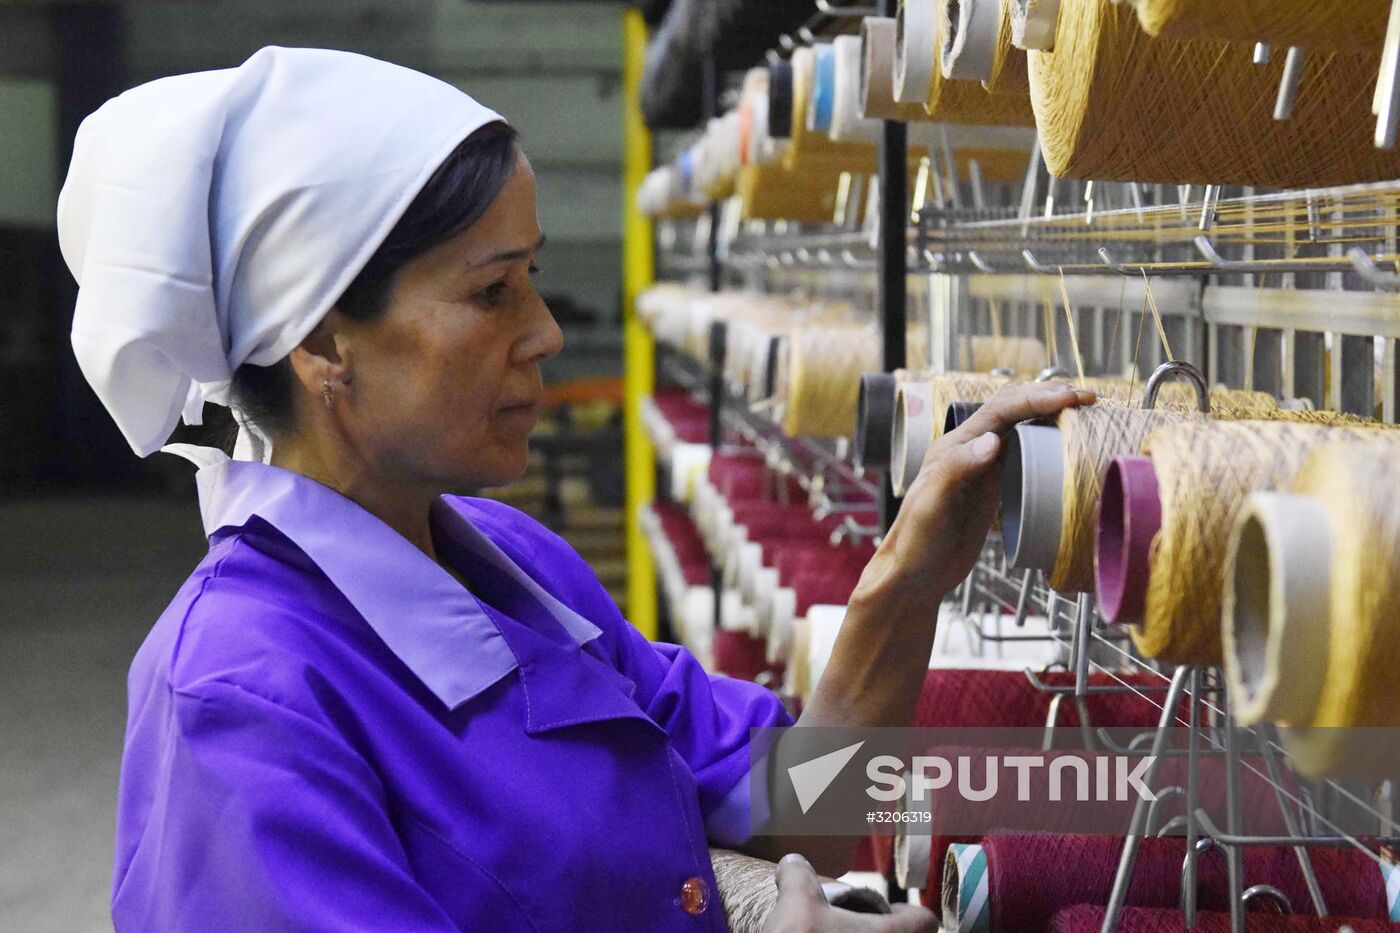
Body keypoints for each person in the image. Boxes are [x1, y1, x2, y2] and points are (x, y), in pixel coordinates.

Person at [58, 47, 1093, 932]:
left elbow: (799, 808)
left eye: (534, 280)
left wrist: (908, 578)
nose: (545, 332)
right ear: (323, 342)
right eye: (491, 291)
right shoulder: (244, 697)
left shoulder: (518, 570)